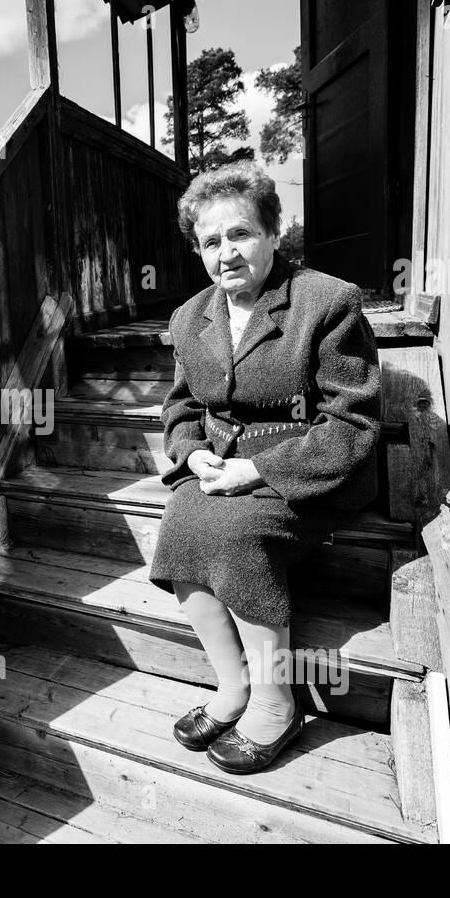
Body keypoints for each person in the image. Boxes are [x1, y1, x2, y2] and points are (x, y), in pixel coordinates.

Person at [148, 161, 381, 774]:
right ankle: (233, 687)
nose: (226, 253)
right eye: (210, 242)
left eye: (240, 234)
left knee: (230, 532)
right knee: (177, 523)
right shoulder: (188, 318)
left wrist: (258, 472)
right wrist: (188, 449)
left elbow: (352, 424)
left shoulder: (326, 302)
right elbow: (182, 406)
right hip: (221, 468)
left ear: (274, 234)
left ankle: (278, 701)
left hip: (312, 468)